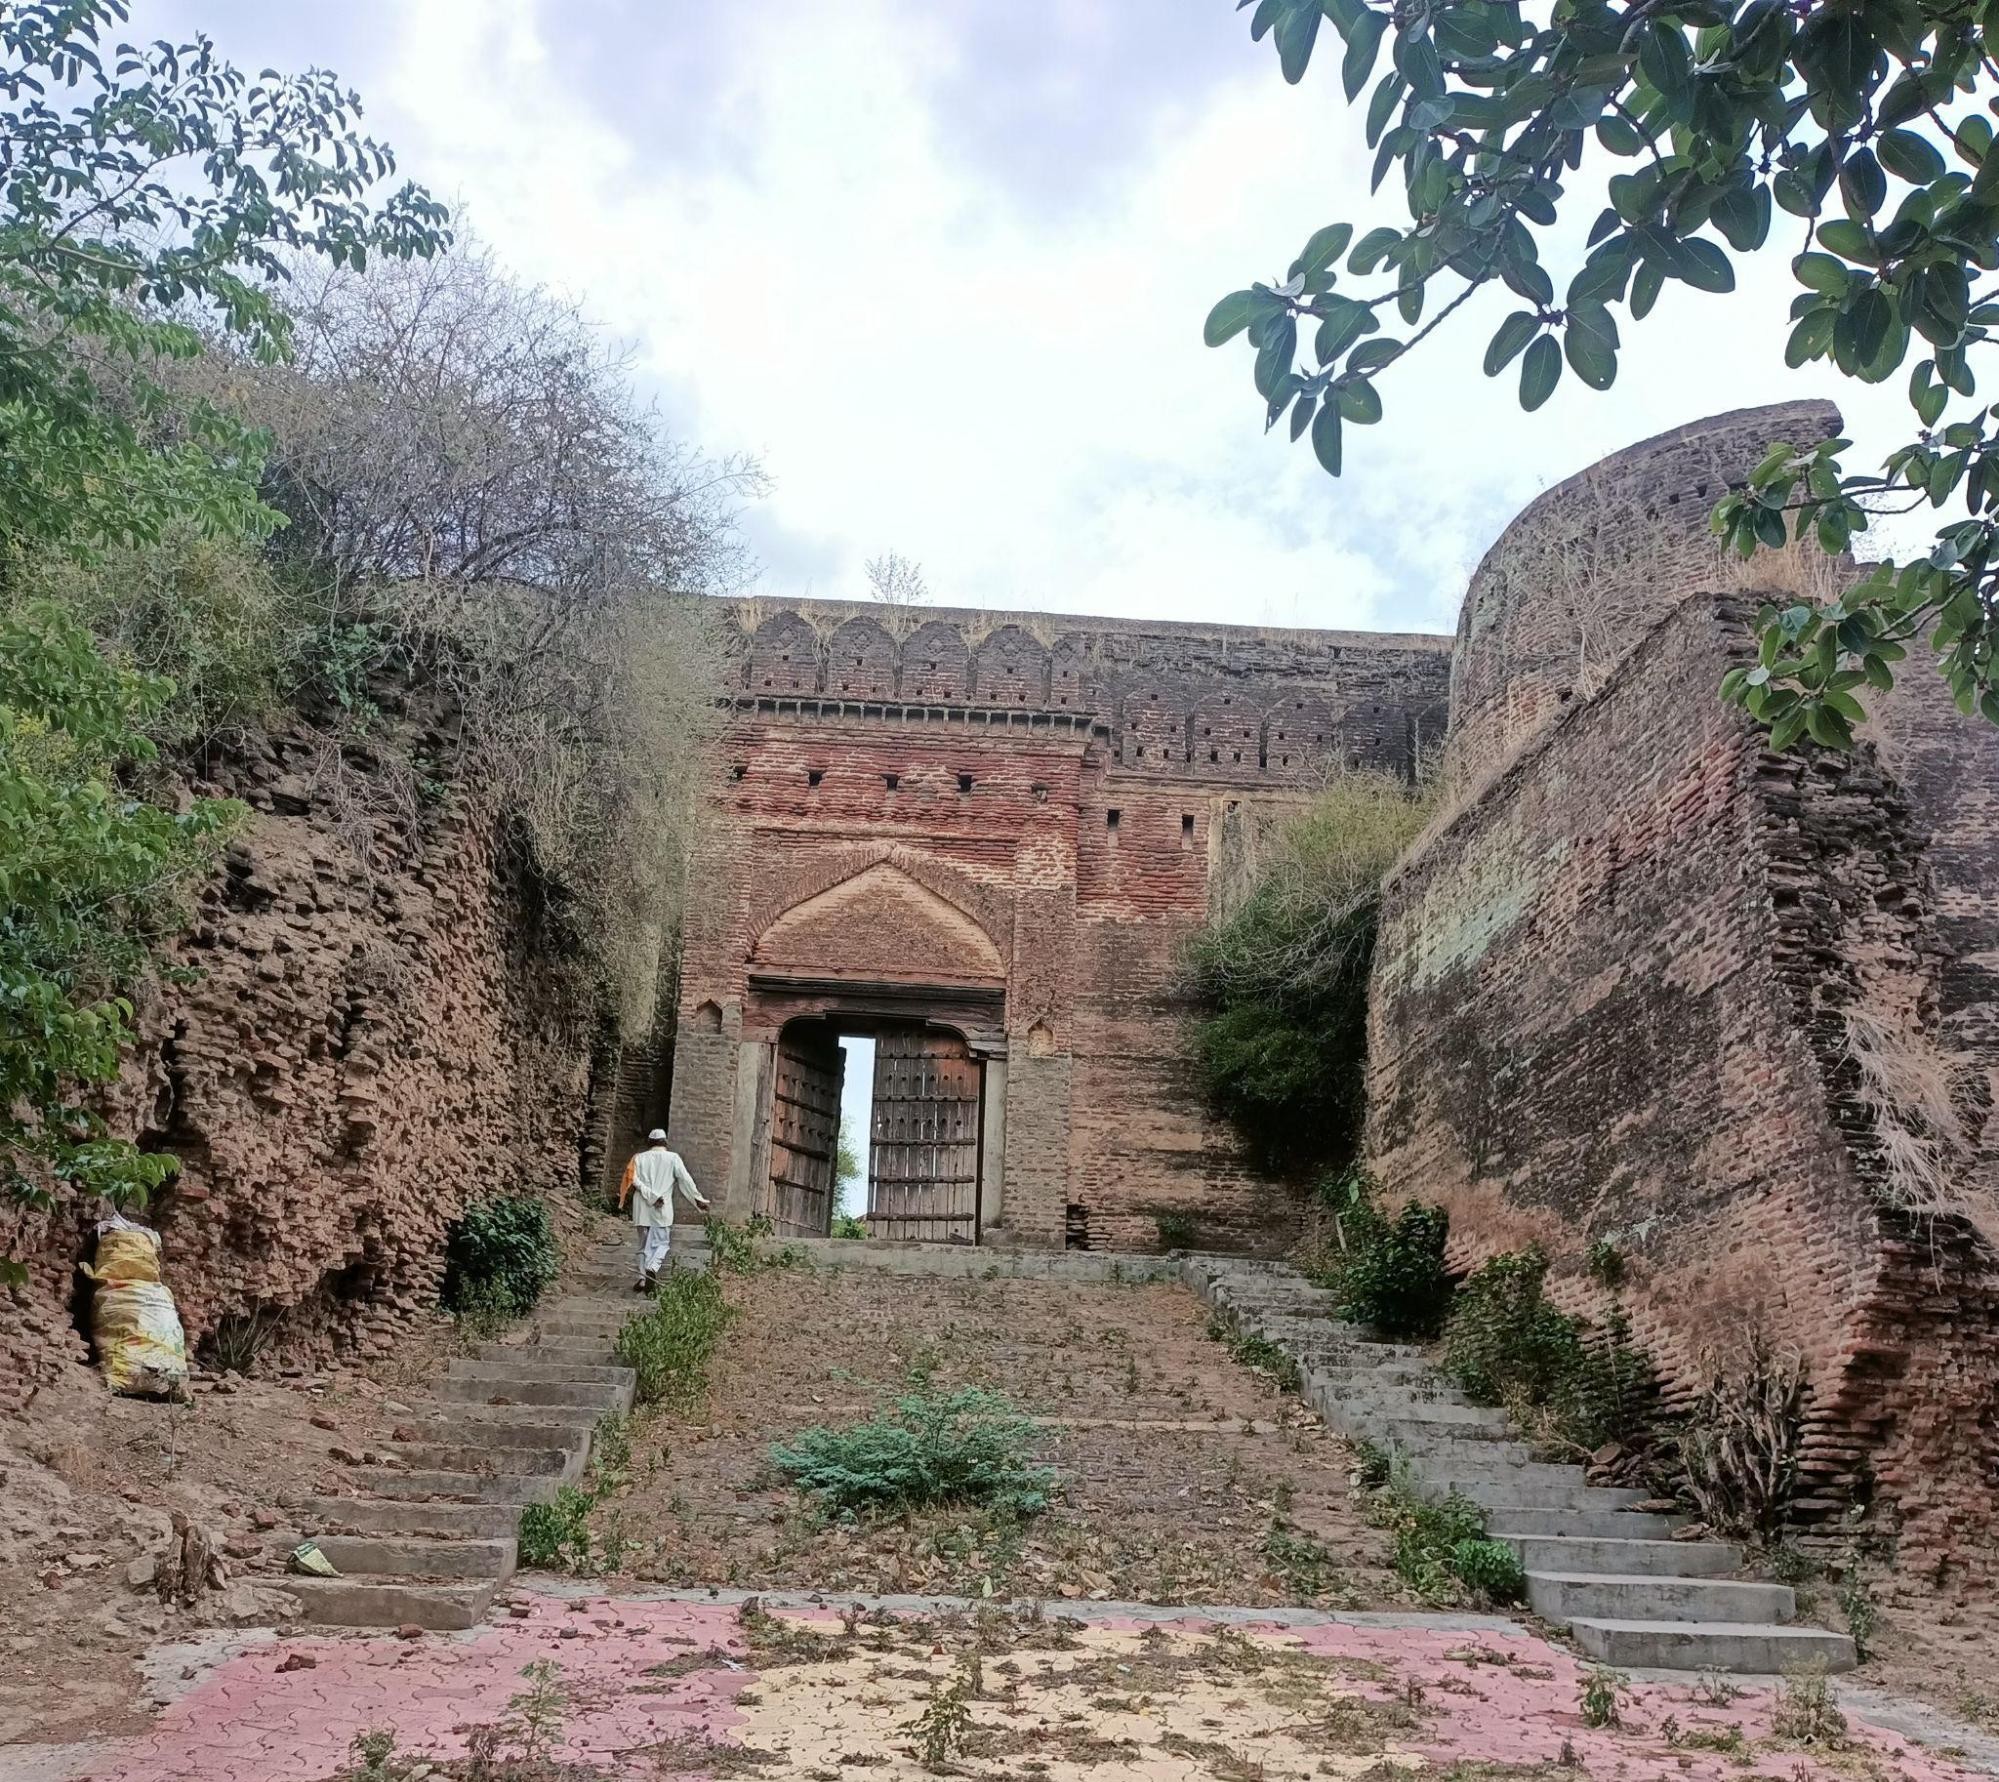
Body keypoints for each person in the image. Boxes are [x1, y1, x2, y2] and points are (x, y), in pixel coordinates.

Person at [622, 1129, 710, 1290]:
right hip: (662, 1208)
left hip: (642, 1207)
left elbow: (633, 1180)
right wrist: (698, 1199)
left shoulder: (638, 1158)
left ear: (649, 1143)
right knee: (661, 1243)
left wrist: (650, 1196)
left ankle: (642, 1279)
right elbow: (686, 1180)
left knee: (642, 1245)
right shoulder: (673, 1158)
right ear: (665, 1142)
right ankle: (652, 1268)